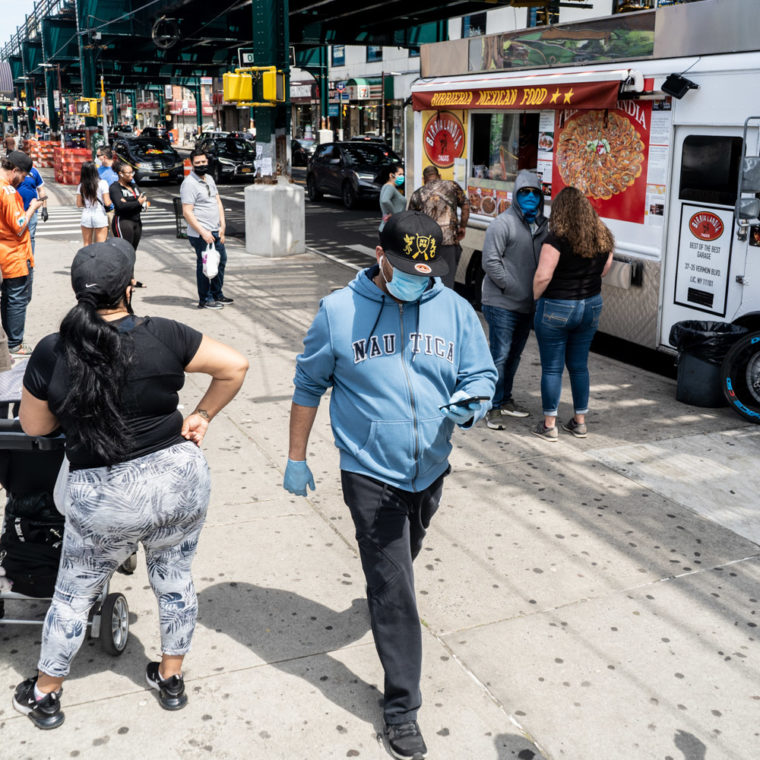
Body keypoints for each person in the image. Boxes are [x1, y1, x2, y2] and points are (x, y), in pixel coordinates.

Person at [284, 210, 496, 760]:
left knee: (405, 558)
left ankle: (386, 591)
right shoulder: (338, 312)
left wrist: (474, 402)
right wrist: (296, 457)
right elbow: (308, 384)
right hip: (369, 473)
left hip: (430, 468)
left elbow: (481, 373)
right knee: (395, 587)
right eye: (404, 268)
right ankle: (402, 707)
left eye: (425, 272)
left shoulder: (454, 310)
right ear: (380, 254)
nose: (415, 280)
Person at [12, 239, 249, 729]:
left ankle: (46, 692)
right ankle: (171, 680)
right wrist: (202, 414)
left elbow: (35, 428)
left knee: (74, 595)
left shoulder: (54, 350)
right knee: (175, 581)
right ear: (130, 286)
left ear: (78, 293)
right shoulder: (165, 334)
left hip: (104, 497)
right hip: (178, 482)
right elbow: (235, 366)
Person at [531, 186, 614, 441]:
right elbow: (604, 270)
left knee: (553, 368)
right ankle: (579, 422)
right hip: (590, 305)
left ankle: (549, 425)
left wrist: (535, 298)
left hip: (557, 306)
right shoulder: (603, 237)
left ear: (560, 211)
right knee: (579, 366)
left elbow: (544, 275)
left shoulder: (556, 239)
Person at [480, 170, 548, 429]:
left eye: (534, 193)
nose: (530, 197)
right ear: (516, 195)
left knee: (515, 356)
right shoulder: (502, 224)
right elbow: (490, 262)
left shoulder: (543, 225)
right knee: (499, 355)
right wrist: (514, 287)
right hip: (502, 303)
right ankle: (491, 406)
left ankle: (505, 399)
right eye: (524, 192)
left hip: (527, 305)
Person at [0, 151, 43, 355]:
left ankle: (8, 340)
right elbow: (18, 226)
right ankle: (14, 344)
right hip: (13, 254)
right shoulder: (7, 192)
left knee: (8, 298)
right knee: (17, 298)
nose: (23, 180)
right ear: (15, 170)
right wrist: (32, 208)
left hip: (4, 253)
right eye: (24, 176)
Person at [181, 149, 232, 310]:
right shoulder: (189, 184)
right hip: (201, 234)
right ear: (192, 164)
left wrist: (222, 226)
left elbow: (217, 202)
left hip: (216, 230)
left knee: (220, 261)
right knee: (205, 266)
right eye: (198, 163)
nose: (202, 165)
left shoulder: (209, 178)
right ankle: (205, 299)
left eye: (204, 162)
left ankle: (217, 293)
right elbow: (187, 212)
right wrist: (203, 232)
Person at [407, 165, 469, 289]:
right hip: (449, 241)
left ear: (424, 179)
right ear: (439, 176)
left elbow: (411, 220)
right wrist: (462, 227)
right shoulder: (452, 186)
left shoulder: (417, 194)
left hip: (427, 243)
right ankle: (443, 304)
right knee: (446, 280)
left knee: (427, 279)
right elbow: (466, 206)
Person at [109, 160, 146, 286]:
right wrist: (136, 203)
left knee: (132, 252)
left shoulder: (134, 186)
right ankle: (122, 282)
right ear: (120, 173)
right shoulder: (115, 187)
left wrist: (132, 203)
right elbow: (120, 206)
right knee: (124, 252)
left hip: (136, 221)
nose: (131, 175)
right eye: (128, 173)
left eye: (132, 172)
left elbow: (141, 200)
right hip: (123, 221)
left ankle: (131, 278)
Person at [16, 158, 48, 255]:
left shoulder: (34, 171)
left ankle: (30, 260)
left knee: (31, 237)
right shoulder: (14, 172)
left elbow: (41, 190)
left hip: (32, 210)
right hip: (16, 210)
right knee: (17, 236)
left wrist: (45, 208)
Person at [76, 161, 111, 245]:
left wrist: (88, 202)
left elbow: (79, 204)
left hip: (86, 214)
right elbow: (107, 203)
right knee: (100, 245)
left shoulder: (81, 185)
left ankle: (87, 258)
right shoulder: (103, 183)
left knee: (87, 243)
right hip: (100, 214)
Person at [95, 148, 118, 232]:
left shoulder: (119, 168)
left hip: (116, 211)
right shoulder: (97, 171)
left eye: (97, 156)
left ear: (104, 157)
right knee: (99, 242)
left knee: (115, 240)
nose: (96, 158)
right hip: (100, 210)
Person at [378, 164, 406, 233]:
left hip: (388, 227)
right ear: (391, 175)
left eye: (403, 174)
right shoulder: (389, 187)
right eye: (399, 174)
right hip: (391, 228)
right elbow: (385, 200)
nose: (402, 177)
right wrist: (393, 214)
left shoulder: (387, 187)